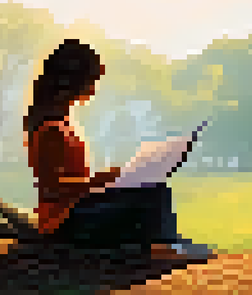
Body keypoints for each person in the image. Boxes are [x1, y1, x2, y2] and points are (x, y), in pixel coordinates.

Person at [23, 39, 210, 261]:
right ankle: (167, 246)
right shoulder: (51, 129)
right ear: (73, 81)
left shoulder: (63, 122)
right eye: (92, 81)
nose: (93, 88)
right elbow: (52, 190)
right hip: (63, 225)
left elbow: (71, 182)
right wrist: (100, 180)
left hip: (77, 212)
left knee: (149, 189)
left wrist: (114, 180)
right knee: (152, 194)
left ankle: (168, 243)